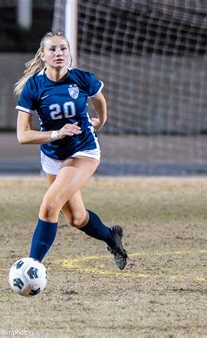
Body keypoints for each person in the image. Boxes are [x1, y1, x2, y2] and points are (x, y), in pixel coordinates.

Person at [13, 32, 128, 269]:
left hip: (82, 151)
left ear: (69, 54)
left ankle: (32, 266)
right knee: (76, 218)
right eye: (53, 50)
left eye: (63, 49)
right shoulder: (33, 87)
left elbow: (100, 101)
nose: (59, 54)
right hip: (52, 156)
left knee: (50, 204)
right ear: (43, 55)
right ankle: (111, 237)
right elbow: (23, 136)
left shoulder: (82, 79)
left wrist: (101, 122)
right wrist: (56, 133)